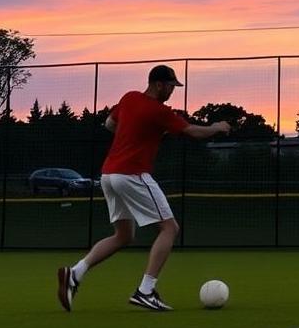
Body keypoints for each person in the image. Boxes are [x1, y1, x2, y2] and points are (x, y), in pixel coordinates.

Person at [57, 64, 230, 312]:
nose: (172, 91)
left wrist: (139, 134)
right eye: (171, 86)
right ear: (159, 84)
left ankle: (74, 273)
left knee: (124, 235)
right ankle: (145, 291)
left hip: (108, 175)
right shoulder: (159, 111)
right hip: (132, 174)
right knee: (170, 228)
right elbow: (192, 131)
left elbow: (109, 124)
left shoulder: (129, 98)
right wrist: (216, 128)